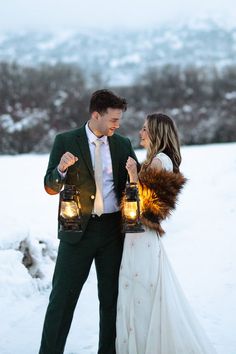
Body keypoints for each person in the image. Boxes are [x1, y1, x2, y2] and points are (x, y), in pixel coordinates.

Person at [39, 89, 138, 354]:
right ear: (96, 115)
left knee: (111, 302)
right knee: (61, 300)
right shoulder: (65, 141)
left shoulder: (123, 144)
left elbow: (134, 188)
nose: (117, 125)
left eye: (119, 120)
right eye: (113, 120)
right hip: (75, 232)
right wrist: (60, 169)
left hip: (112, 233)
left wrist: (134, 176)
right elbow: (50, 187)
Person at [116, 113, 217, 354]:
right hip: (138, 237)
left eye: (144, 129)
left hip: (142, 237)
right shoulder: (156, 161)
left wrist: (132, 175)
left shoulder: (160, 161)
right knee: (138, 290)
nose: (140, 133)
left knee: (141, 293)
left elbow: (149, 207)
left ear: (156, 133)